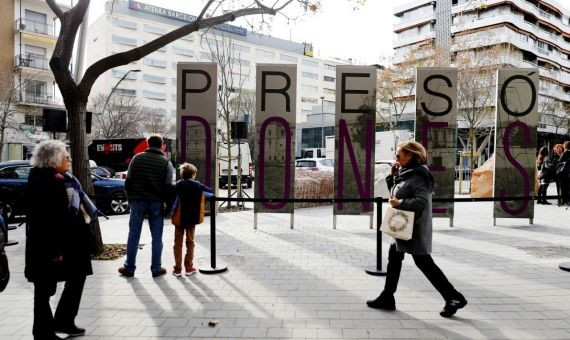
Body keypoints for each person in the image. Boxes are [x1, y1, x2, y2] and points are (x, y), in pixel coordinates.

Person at [367, 141, 467, 318]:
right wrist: (392, 177)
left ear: (411, 156)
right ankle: (387, 297)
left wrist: (400, 203)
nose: (396, 158)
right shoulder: (406, 173)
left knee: (424, 263)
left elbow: (421, 201)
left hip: (414, 227)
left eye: (399, 155)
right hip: (403, 226)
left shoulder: (420, 175)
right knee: (394, 258)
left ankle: (453, 297)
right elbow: (398, 193)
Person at [25, 140, 96, 339]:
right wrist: (56, 251)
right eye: (66, 157)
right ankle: (43, 332)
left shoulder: (60, 178)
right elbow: (49, 220)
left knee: (76, 276)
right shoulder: (48, 182)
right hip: (53, 246)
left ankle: (63, 321)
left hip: (67, 243)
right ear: (53, 160)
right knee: (44, 289)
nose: (70, 160)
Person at [119, 134, 174, 278]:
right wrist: (167, 206)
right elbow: (168, 187)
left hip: (138, 201)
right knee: (157, 237)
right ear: (161, 145)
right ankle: (156, 269)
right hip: (156, 203)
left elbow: (128, 181)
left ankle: (129, 268)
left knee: (134, 235)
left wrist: (129, 199)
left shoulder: (137, 158)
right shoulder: (166, 163)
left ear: (148, 144)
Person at [171, 163, 213, 277]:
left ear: (181, 174)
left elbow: (172, 196)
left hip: (179, 218)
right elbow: (210, 192)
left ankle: (177, 269)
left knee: (178, 243)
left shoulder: (178, 184)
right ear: (193, 174)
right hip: (192, 218)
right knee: (190, 243)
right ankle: (189, 267)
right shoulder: (197, 185)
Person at [559, 141, 570, 206]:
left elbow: (559, 162)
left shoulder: (564, 153)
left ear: (565, 146)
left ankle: (564, 201)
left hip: (564, 173)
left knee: (564, 187)